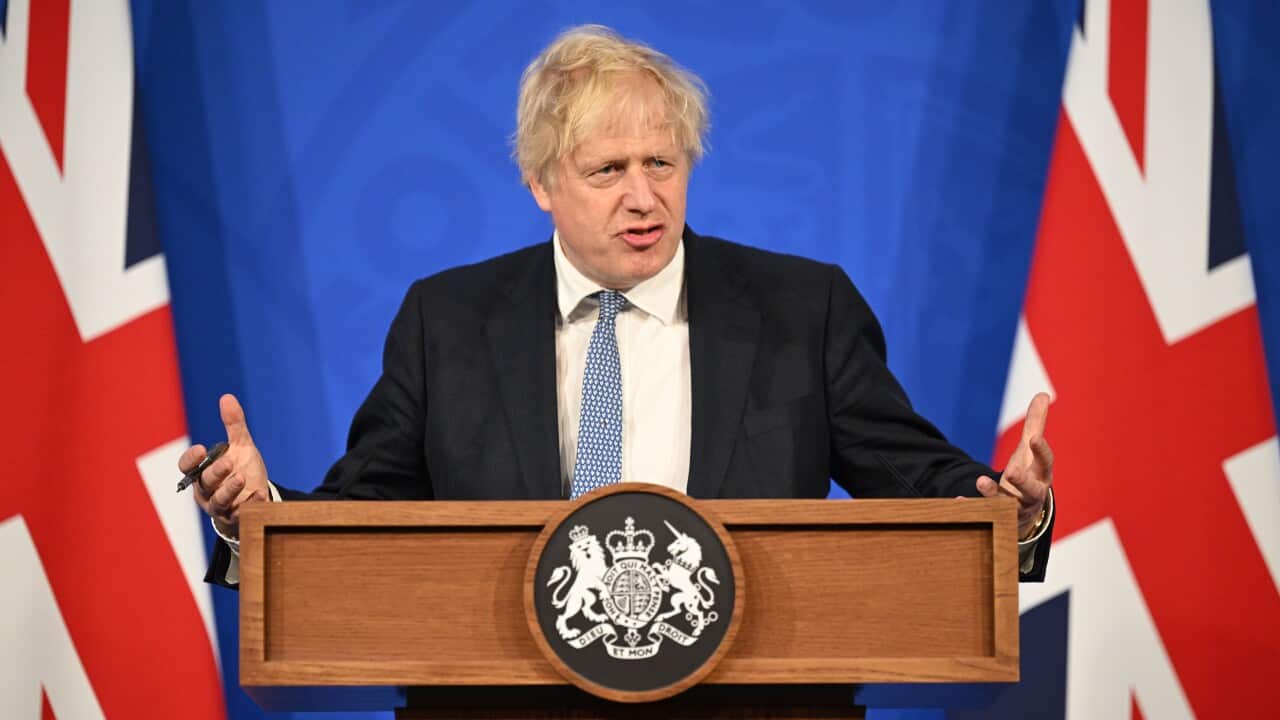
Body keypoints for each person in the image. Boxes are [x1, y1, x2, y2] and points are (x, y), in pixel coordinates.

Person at [180, 25, 1055, 587]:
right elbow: (370, 513)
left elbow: (911, 477)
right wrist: (265, 517)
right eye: (608, 171)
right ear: (540, 185)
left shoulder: (803, 309)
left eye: (662, 164)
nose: (644, 198)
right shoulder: (445, 321)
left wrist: (1005, 508)